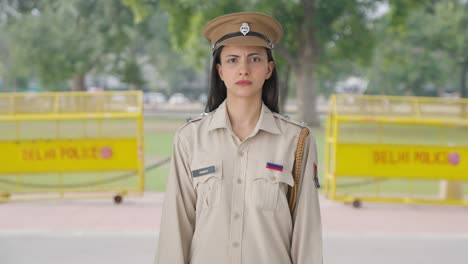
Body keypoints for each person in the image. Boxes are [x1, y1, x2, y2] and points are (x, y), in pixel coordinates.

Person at [155, 11, 322, 264]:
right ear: (220, 71)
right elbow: (175, 228)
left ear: (269, 69)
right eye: (233, 60)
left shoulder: (296, 140)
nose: (243, 69)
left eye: (254, 59)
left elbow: (306, 233)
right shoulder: (190, 138)